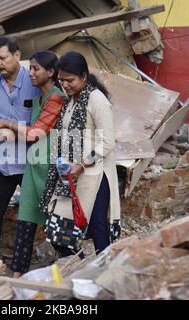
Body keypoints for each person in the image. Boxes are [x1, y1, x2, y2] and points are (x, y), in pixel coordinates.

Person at [39, 51, 122, 258]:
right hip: (71, 177)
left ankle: (106, 275)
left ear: (83, 77)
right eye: (61, 80)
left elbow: (108, 142)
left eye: (70, 80)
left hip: (95, 176)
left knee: (98, 228)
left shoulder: (96, 100)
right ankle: (80, 266)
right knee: (59, 233)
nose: (65, 85)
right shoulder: (71, 100)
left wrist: (83, 165)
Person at [0, 51, 64, 277]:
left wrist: (7, 123)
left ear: (50, 72)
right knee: (26, 217)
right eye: (30, 68)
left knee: (56, 223)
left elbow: (35, 134)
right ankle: (17, 275)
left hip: (51, 170)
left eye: (36, 69)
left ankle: (76, 262)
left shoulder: (56, 97)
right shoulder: (38, 99)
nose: (31, 73)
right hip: (34, 168)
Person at [0, 36, 39, 262]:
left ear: (17, 56)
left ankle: (33, 258)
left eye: (2, 58)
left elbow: (43, 123)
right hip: (4, 161)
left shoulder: (34, 81)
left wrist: (12, 126)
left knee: (33, 211)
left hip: (32, 161)